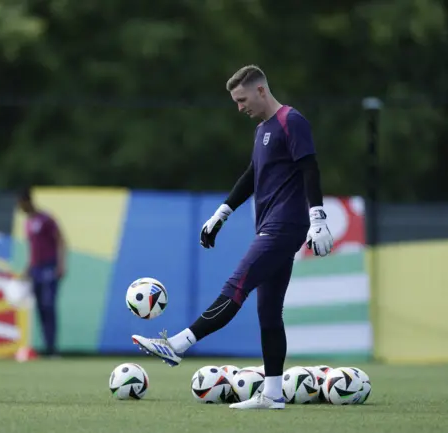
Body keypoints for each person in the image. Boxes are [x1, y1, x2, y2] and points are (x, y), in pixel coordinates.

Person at [131, 65, 334, 410]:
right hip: (269, 224)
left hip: (285, 226)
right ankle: (272, 393)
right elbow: (253, 176)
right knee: (269, 312)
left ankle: (177, 345)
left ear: (260, 90)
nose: (239, 107)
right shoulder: (262, 131)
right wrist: (220, 214)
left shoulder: (292, 121)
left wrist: (318, 219)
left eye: (241, 100)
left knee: (236, 286)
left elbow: (310, 168)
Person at [18, 187, 66, 358]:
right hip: (36, 269)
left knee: (48, 305)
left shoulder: (45, 219)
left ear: (27, 201)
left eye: (21, 204)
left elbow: (60, 240)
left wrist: (61, 265)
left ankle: (53, 348)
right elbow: (33, 249)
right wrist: (27, 269)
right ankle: (47, 347)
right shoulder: (28, 223)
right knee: (39, 308)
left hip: (49, 267)